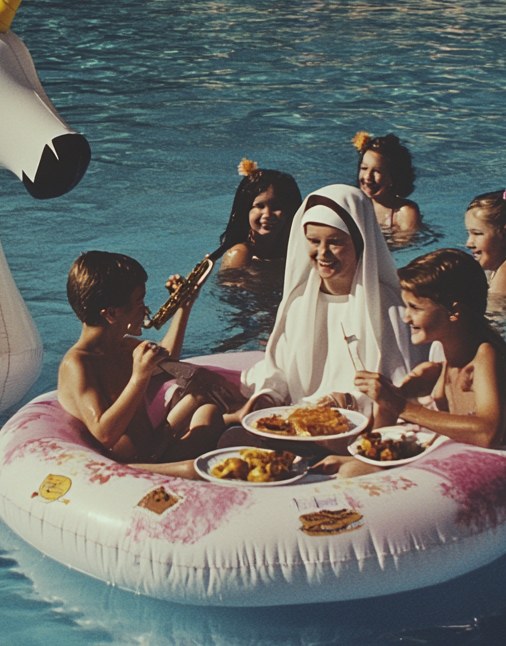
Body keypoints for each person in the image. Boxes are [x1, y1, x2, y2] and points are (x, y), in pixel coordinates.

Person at [315, 248, 506, 477]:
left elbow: (488, 432)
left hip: (490, 470)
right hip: (454, 454)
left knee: (349, 473)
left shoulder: (485, 353)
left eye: (415, 308)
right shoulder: (451, 350)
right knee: (332, 456)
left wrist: (401, 405)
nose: (406, 317)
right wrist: (394, 396)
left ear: (454, 312)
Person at [234, 184, 414, 421]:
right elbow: (279, 370)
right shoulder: (298, 301)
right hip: (297, 421)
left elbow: (401, 389)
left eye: (335, 242)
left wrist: (346, 402)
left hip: (360, 428)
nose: (322, 252)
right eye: (313, 241)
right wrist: (267, 398)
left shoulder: (387, 306)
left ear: (360, 242)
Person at [57, 251, 225, 477]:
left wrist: (184, 307)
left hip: (155, 448)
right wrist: (139, 376)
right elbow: (104, 434)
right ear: (112, 314)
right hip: (125, 470)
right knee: (197, 469)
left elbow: (168, 357)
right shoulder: (78, 363)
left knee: (210, 415)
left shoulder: (123, 347)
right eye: (139, 302)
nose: (146, 310)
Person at [219, 160, 303, 270]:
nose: (267, 214)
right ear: (246, 210)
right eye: (259, 206)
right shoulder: (240, 254)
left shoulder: (291, 250)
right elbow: (229, 287)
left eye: (276, 207)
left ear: (290, 211)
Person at [352, 131, 421, 237]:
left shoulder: (404, 212)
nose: (367, 177)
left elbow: (405, 244)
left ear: (393, 178)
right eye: (364, 168)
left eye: (377, 171)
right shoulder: (353, 204)